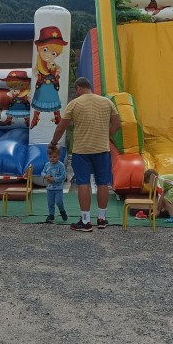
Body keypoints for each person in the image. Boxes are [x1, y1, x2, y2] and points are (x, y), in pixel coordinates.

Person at [50, 77, 120, 232]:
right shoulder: (107, 102)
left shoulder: (74, 104)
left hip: (82, 151)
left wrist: (53, 143)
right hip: (102, 149)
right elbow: (117, 124)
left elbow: (61, 128)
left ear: (79, 88)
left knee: (83, 183)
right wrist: (106, 136)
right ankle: (102, 219)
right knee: (103, 183)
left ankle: (86, 221)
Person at [42, 143, 68, 223]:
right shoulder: (47, 165)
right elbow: (42, 172)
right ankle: (51, 215)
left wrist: (54, 179)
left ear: (59, 155)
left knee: (59, 202)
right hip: (49, 188)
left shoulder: (61, 165)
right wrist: (45, 176)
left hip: (58, 188)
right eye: (50, 157)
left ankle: (62, 211)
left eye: (54, 157)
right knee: (50, 202)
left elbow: (63, 176)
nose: (52, 159)